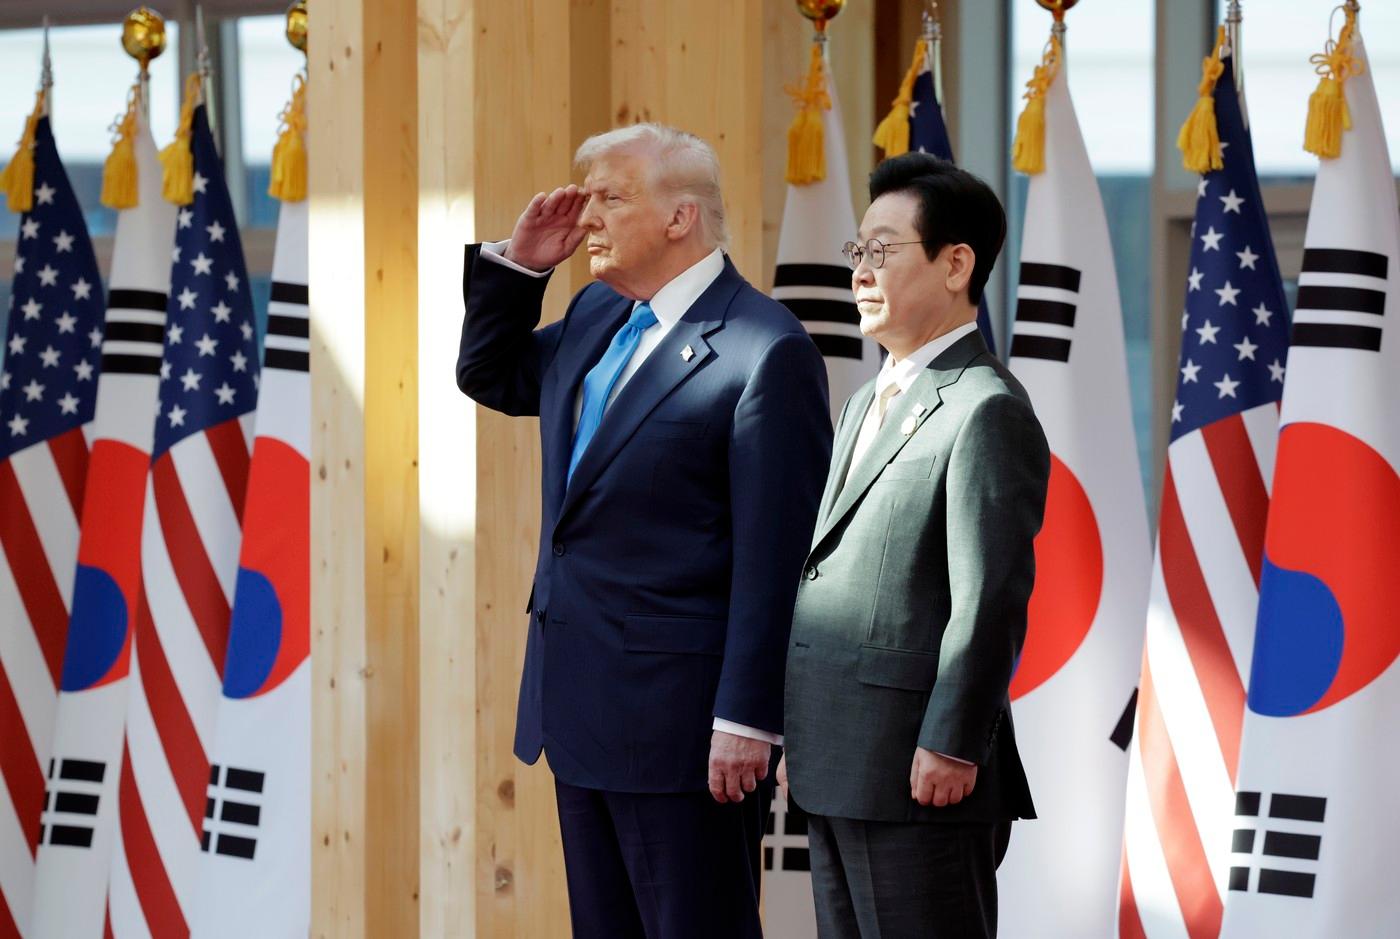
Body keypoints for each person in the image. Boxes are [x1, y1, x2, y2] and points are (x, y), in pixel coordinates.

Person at [456, 123, 832, 939]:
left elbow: (777, 557)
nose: (588, 216)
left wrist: (748, 718)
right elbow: (490, 372)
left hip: (684, 729)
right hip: (578, 708)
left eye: (611, 198)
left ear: (679, 217)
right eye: (588, 197)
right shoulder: (597, 313)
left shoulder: (765, 349)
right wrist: (519, 269)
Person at [778, 153, 1050, 939]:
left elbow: (989, 597)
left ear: (956, 264)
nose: (861, 271)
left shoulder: (984, 407)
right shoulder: (867, 399)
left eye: (883, 250)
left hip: (920, 772)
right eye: (857, 249)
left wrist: (953, 743)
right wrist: (804, 731)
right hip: (839, 760)